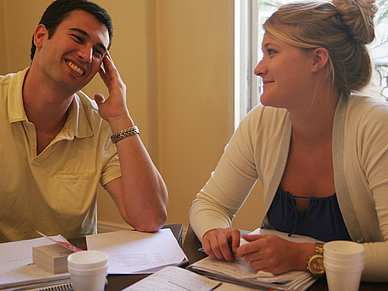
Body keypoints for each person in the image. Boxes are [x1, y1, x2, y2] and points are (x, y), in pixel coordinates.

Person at [190, 0, 388, 282]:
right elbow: (210, 204)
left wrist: (302, 256)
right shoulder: (261, 122)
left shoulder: (376, 126)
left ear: (317, 59)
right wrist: (214, 232)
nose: (259, 68)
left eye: (271, 52)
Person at [0, 0, 168, 243]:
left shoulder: (100, 121)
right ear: (40, 36)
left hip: (74, 273)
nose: (87, 56)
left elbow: (150, 218)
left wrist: (121, 117)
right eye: (78, 38)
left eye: (98, 52)